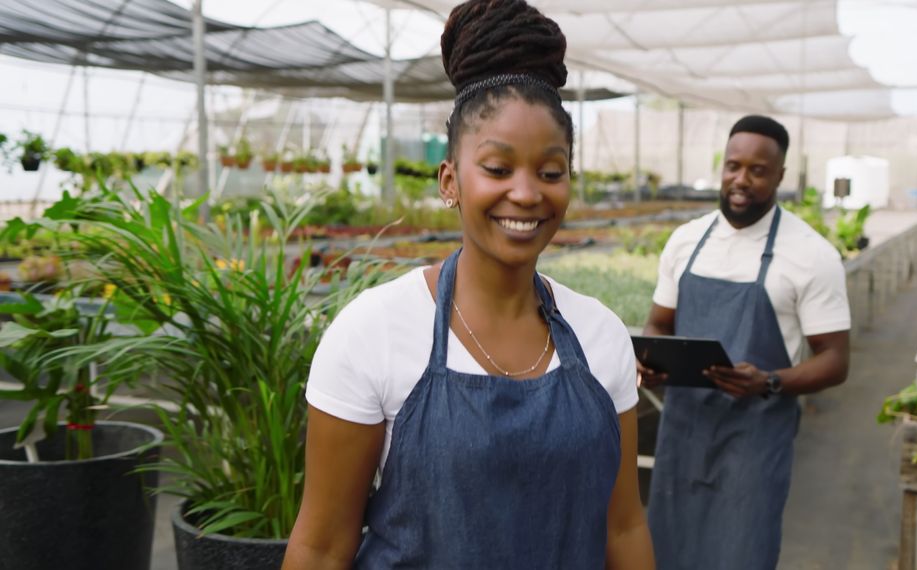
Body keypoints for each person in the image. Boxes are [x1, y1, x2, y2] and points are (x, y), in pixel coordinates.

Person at [282, 1, 654, 568]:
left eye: (551, 172)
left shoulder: (601, 335)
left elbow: (623, 529)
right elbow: (322, 547)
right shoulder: (374, 330)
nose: (527, 194)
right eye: (499, 169)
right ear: (450, 180)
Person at [640, 115, 851, 569]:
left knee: (741, 552)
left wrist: (770, 381)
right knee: (668, 549)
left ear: (780, 176)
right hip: (684, 432)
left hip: (754, 440)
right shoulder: (686, 241)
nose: (741, 180)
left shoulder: (811, 255)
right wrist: (652, 362)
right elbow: (658, 323)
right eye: (733, 166)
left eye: (757, 170)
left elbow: (835, 360)